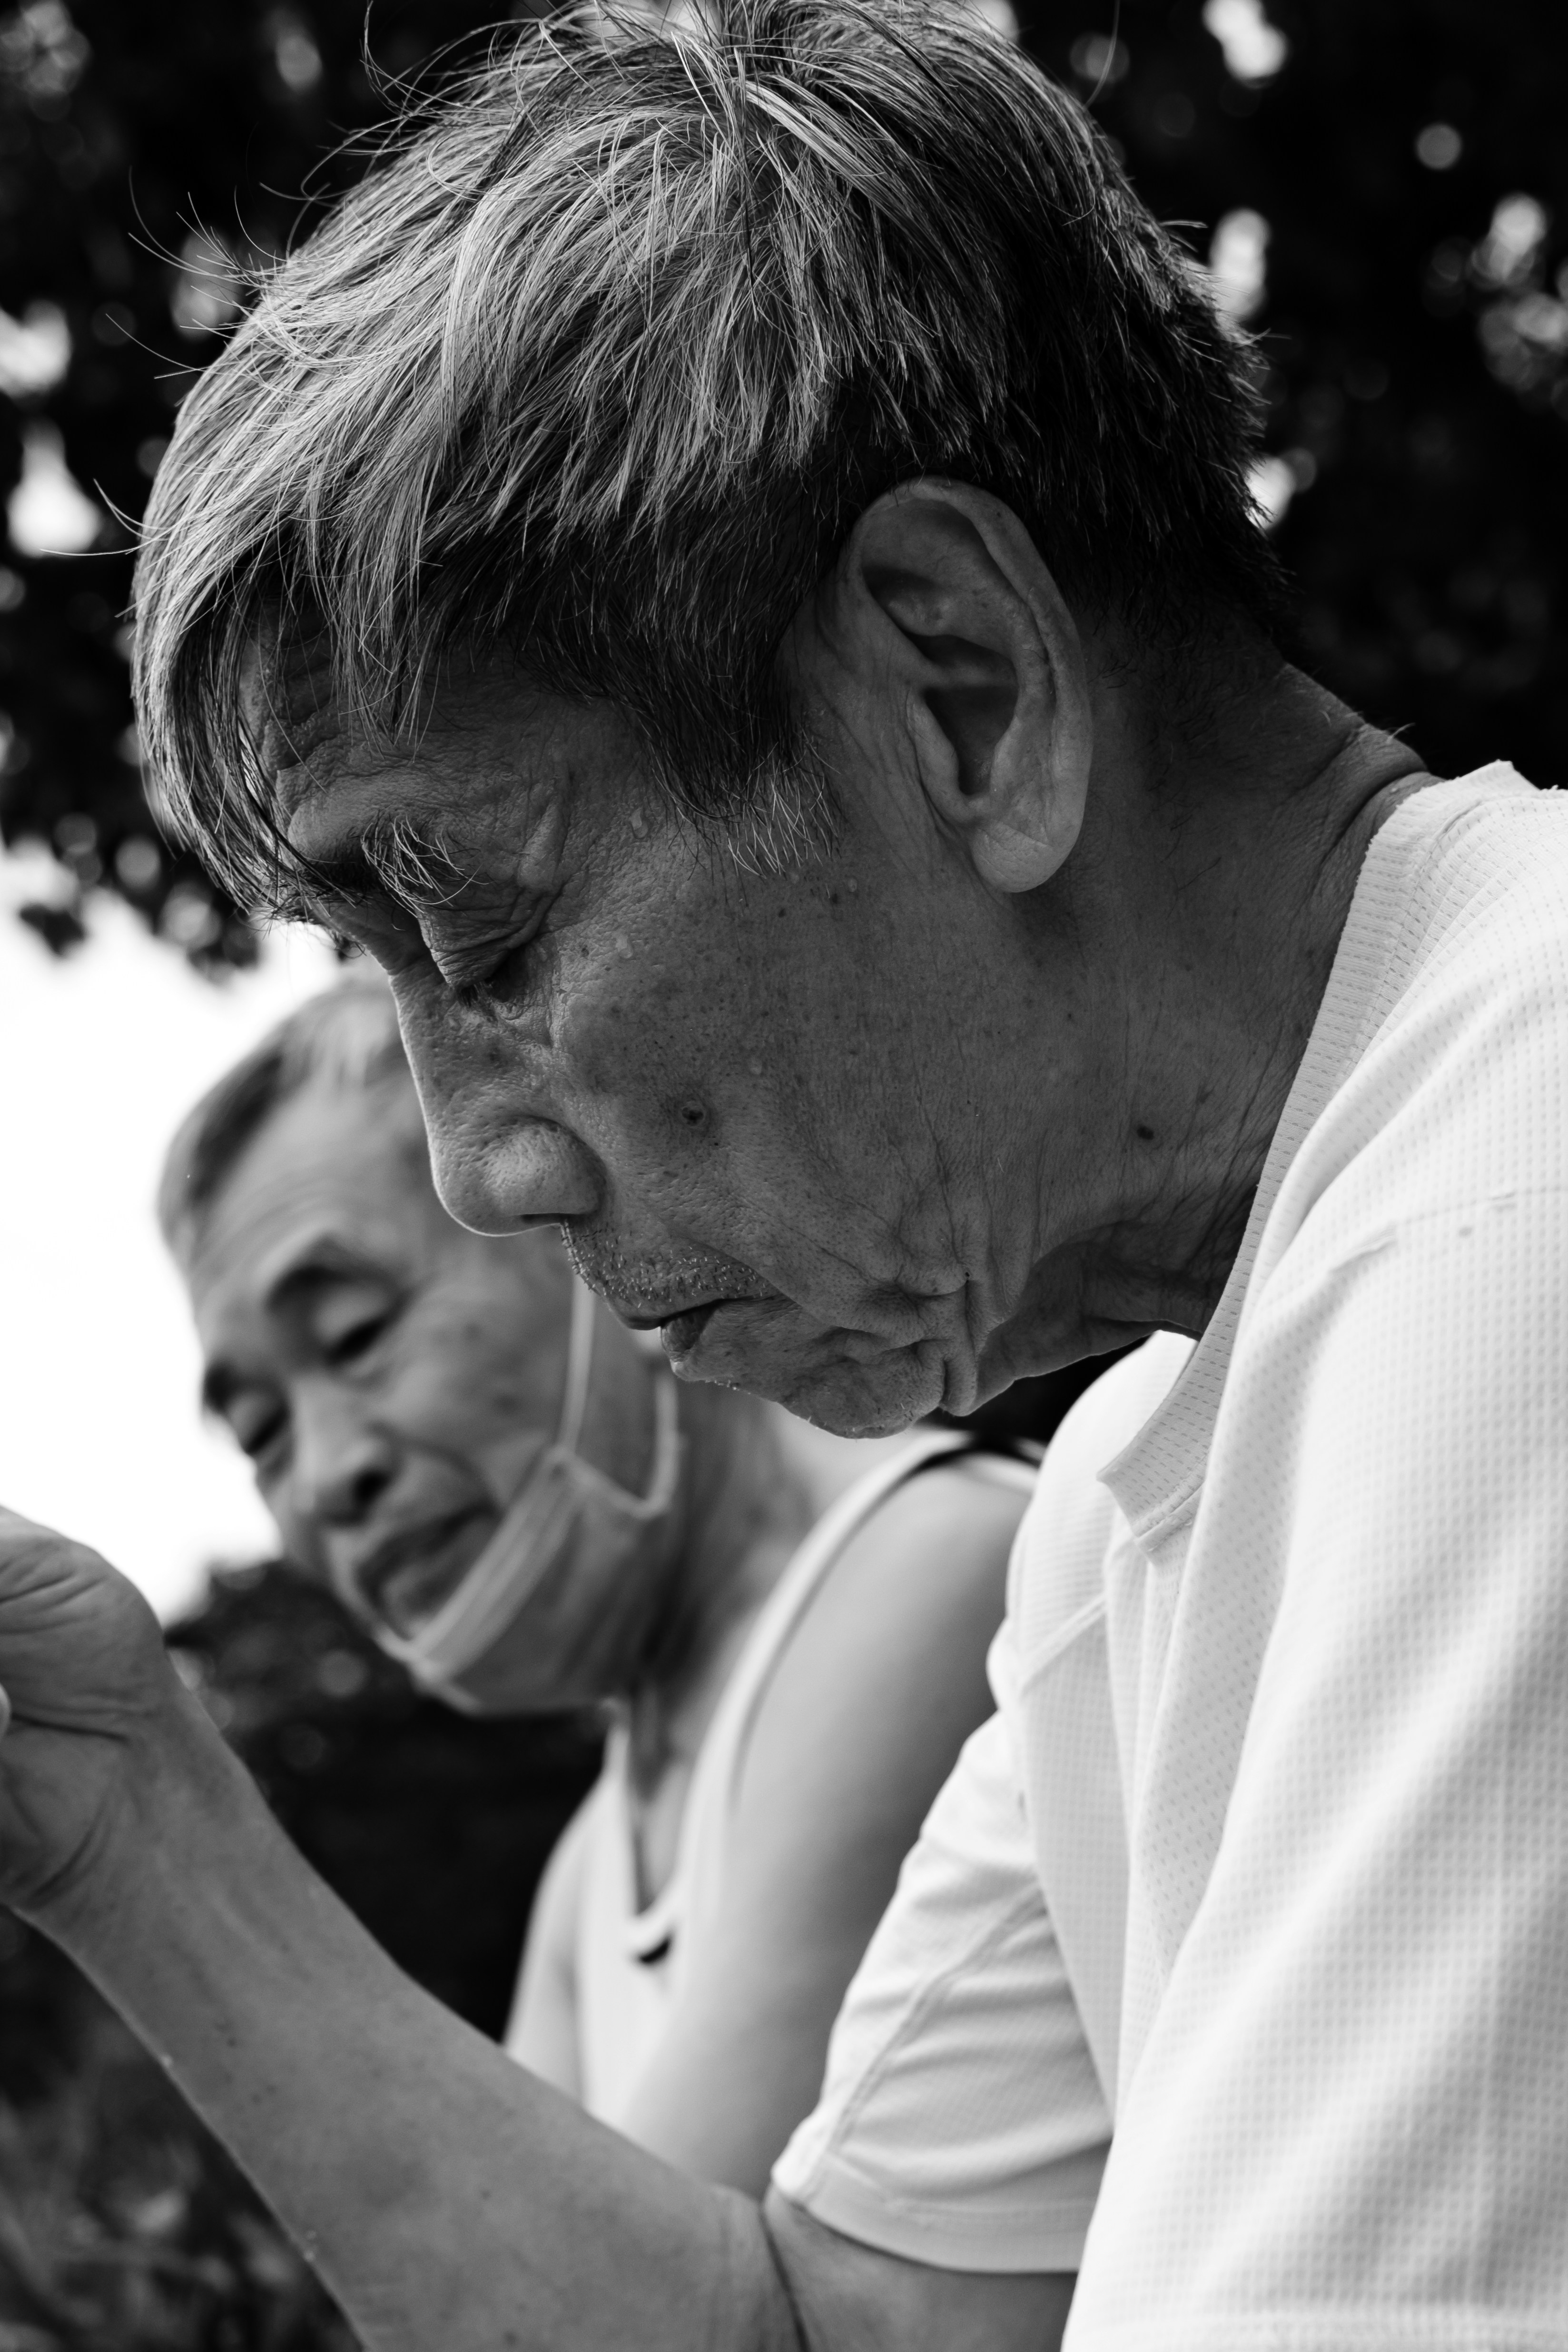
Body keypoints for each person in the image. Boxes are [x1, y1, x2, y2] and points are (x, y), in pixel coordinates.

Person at [1, 3, 1565, 2347]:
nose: (479, 1163)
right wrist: (117, 1804)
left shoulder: (1502, 1243)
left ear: (961, 691)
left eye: (488, 932)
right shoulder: (1147, 1449)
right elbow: (824, 2332)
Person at [160, 971, 1031, 2193]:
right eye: (261, 1432)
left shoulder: (925, 1579)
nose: (324, 1476)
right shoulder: (594, 1864)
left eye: (356, 1335)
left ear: (584, 1229)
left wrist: (142, 1839)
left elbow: (671, 2306)